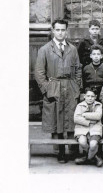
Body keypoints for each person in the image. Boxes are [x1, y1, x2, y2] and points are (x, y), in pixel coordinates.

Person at [35, 18, 81, 163]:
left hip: (70, 86)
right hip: (54, 86)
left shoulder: (72, 49)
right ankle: (60, 151)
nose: (60, 33)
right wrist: (47, 90)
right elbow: (39, 72)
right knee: (57, 119)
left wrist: (77, 87)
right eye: (58, 30)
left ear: (66, 31)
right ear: (53, 31)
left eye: (63, 30)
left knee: (72, 117)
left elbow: (78, 69)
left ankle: (73, 150)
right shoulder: (45, 49)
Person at [74, 88, 103, 167]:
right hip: (81, 128)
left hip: (95, 128)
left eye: (92, 96)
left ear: (95, 97)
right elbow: (76, 118)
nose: (90, 98)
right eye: (88, 96)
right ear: (84, 96)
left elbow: (98, 116)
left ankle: (87, 158)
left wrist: (84, 114)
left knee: (93, 144)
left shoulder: (98, 105)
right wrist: (90, 121)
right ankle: (94, 157)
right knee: (82, 142)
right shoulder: (79, 105)